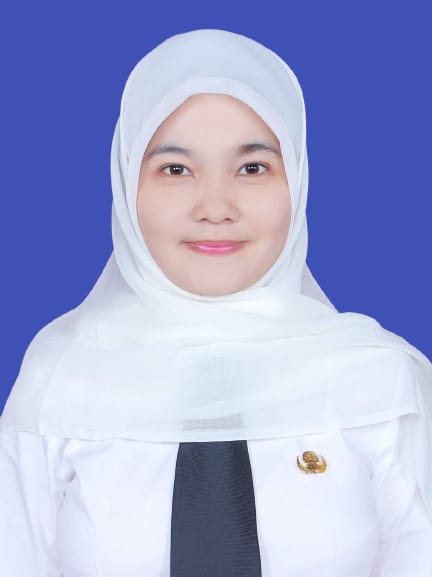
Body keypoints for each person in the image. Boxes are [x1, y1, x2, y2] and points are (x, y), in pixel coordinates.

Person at [0, 28, 431, 577]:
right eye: (175, 169)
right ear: (127, 186)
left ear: (297, 181)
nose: (215, 206)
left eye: (252, 168)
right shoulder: (60, 379)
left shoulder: (377, 381)